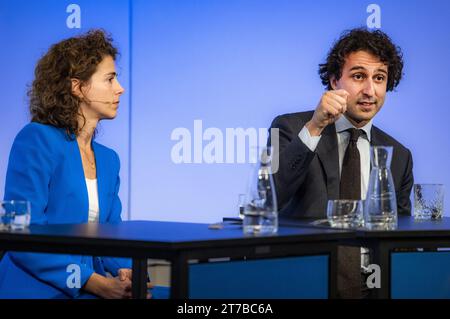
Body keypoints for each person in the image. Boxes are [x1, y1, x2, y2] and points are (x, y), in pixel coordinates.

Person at [0, 29, 149, 298]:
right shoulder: (36, 140)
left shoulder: (108, 159)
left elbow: (111, 234)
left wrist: (127, 272)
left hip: (89, 290)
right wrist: (93, 282)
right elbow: (20, 238)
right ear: (77, 87)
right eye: (110, 79)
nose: (120, 88)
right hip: (35, 289)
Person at [268, 28, 413, 298]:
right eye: (358, 76)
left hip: (374, 290)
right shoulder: (290, 127)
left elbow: (401, 239)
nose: (370, 90)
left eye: (379, 78)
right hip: (304, 285)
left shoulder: (400, 155)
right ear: (335, 81)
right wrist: (315, 126)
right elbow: (271, 198)